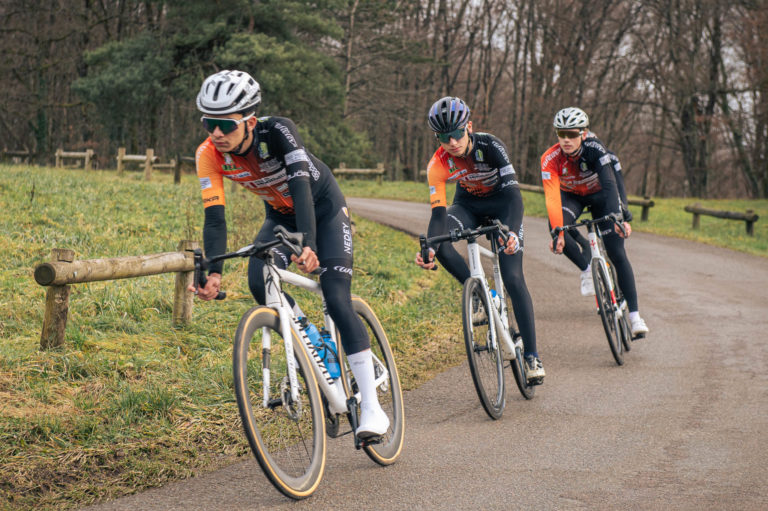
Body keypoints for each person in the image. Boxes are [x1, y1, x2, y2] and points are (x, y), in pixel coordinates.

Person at [190, 69, 389, 438]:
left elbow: (301, 188)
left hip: (323, 210)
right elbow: (214, 218)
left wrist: (307, 243)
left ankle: (373, 409)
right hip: (280, 218)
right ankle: (313, 341)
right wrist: (214, 272)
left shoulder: (279, 131)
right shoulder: (208, 155)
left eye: (225, 124)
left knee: (336, 297)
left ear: (250, 121)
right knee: (259, 280)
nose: (216, 133)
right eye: (208, 123)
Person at [414, 96, 544, 383]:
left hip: (503, 207)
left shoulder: (491, 146)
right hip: (468, 206)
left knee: (513, 277)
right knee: (441, 241)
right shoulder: (437, 164)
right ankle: (482, 295)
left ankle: (532, 356)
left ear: (469, 127)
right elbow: (438, 215)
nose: (452, 142)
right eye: (444, 137)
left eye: (457, 133)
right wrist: (430, 248)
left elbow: (514, 196)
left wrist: (511, 231)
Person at [540, 107, 649, 338]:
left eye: (572, 134)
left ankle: (635, 317)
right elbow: (552, 197)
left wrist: (619, 217)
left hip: (600, 197)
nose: (566, 140)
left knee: (617, 253)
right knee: (555, 227)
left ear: (583, 133)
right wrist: (559, 233)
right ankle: (587, 270)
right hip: (572, 198)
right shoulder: (550, 158)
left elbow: (610, 184)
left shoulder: (595, 148)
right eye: (561, 134)